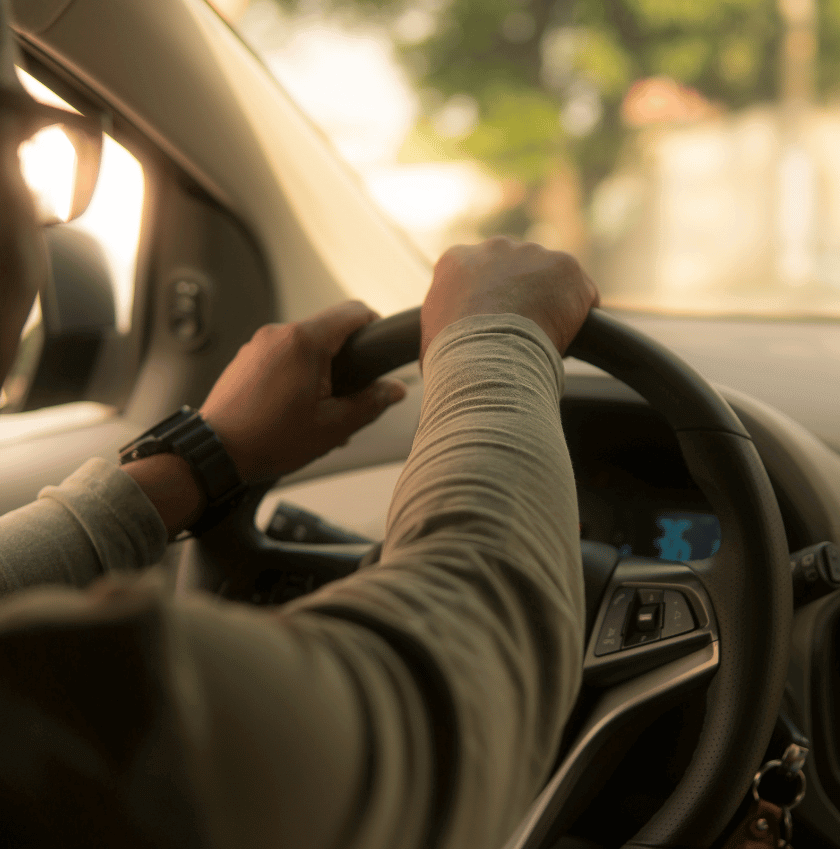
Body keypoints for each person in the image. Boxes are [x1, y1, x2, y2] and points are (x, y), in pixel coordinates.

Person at [0, 2, 601, 846]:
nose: (35, 211)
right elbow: (441, 701)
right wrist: (497, 340)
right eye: (21, 135)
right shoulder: (75, 726)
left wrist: (204, 458)